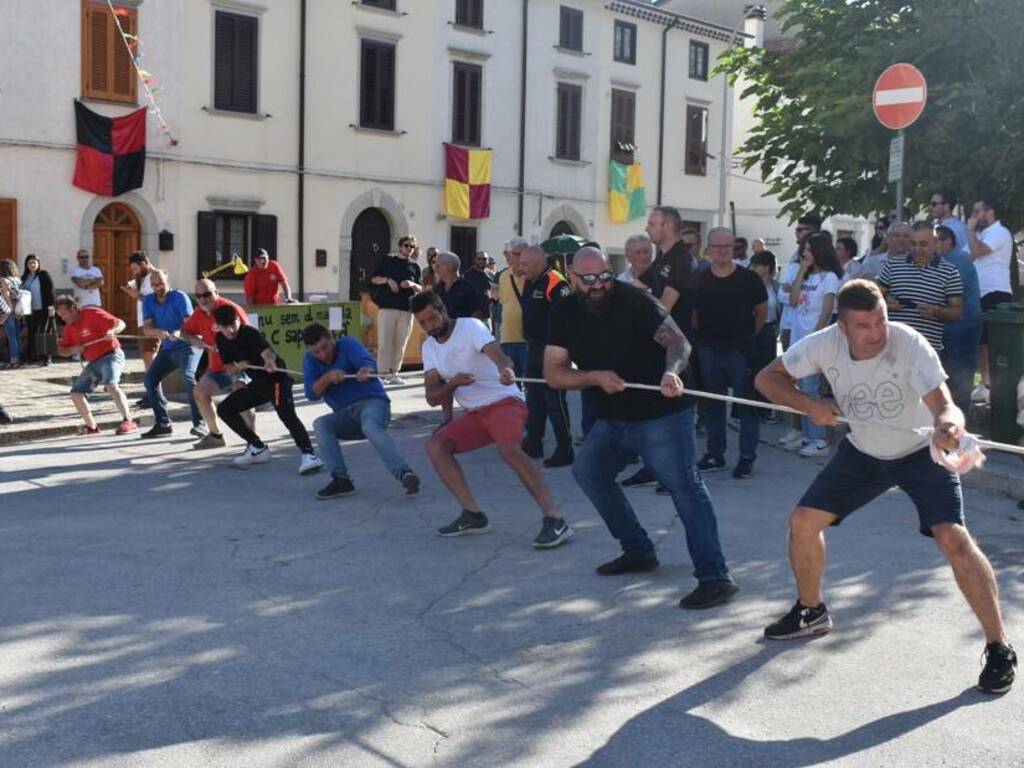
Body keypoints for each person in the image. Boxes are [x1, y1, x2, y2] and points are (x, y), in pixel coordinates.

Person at [755, 279, 1016, 694]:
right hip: (863, 452)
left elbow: (944, 404)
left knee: (954, 538)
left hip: (919, 452)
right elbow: (767, 379)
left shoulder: (907, 342)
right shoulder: (823, 344)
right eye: (864, 326)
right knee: (802, 521)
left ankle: (999, 646)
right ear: (842, 327)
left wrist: (949, 426)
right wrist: (810, 405)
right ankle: (811, 611)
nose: (876, 332)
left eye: (881, 320)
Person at [545, 247, 738, 608]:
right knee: (589, 473)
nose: (598, 285)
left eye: (604, 276)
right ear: (572, 277)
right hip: (613, 415)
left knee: (684, 487)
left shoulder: (636, 301)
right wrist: (593, 377)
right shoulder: (564, 311)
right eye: (588, 280)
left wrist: (670, 371)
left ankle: (715, 576)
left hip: (662, 410)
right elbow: (553, 372)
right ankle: (637, 549)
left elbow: (679, 342)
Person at [411, 290, 573, 548]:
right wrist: (451, 389)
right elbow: (432, 396)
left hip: (504, 402)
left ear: (442, 310)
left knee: (509, 448)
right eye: (423, 323)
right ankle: (473, 515)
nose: (430, 326)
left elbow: (500, 356)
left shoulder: (470, 327)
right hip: (475, 414)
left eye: (432, 318)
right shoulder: (429, 347)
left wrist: (505, 369)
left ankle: (554, 518)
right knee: (436, 445)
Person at [302, 323, 420, 499]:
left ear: (332, 339)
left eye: (325, 347)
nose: (323, 354)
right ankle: (341, 480)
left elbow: (368, 363)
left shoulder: (348, 344)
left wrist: (366, 371)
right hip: (346, 415)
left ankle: (404, 473)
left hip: (372, 403)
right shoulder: (310, 360)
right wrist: (327, 378)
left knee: (371, 426)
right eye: (316, 352)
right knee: (321, 424)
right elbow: (311, 394)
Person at [692, 228, 768, 478]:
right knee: (713, 404)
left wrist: (745, 337)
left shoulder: (749, 279)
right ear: (709, 249)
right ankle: (715, 454)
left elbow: (761, 313)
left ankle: (747, 456)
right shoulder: (699, 279)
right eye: (717, 246)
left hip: (740, 350)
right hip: (709, 349)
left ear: (734, 248)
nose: (723, 250)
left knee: (747, 405)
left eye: (727, 246)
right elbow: (694, 317)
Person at [212, 304, 323, 474]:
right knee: (225, 409)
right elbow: (228, 368)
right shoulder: (221, 339)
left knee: (286, 415)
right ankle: (257, 447)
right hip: (259, 384)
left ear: (238, 320)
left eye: (233, 325)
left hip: (277, 381)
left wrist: (269, 363)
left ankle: (309, 455)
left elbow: (267, 353)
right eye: (225, 328)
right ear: (219, 326)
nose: (230, 331)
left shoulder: (249, 333)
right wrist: (239, 367)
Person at [777, 232, 842, 457]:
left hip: (814, 341)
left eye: (808, 249)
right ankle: (807, 433)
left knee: (811, 388)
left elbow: (826, 311)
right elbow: (793, 300)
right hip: (797, 337)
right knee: (801, 388)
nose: (804, 253)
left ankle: (820, 438)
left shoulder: (830, 277)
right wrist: (802, 270)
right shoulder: (805, 275)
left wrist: (816, 338)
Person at [517, 245, 574, 467]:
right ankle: (534, 441)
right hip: (533, 346)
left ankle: (565, 448)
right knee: (534, 397)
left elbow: (568, 319)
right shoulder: (530, 280)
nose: (521, 269)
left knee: (554, 399)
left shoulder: (556, 282)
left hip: (552, 348)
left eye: (525, 264)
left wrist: (565, 353)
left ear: (539, 263)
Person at [179, 279, 252, 450]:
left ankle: (253, 441)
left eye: (207, 294)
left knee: (241, 392)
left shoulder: (230, 309)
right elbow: (184, 332)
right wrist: (194, 339)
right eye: (199, 296)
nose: (203, 299)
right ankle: (215, 435)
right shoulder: (199, 313)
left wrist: (236, 353)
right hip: (218, 367)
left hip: (238, 364)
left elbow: (250, 336)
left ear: (216, 293)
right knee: (199, 392)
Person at [54, 295, 137, 436]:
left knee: (111, 385)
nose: (63, 318)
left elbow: (120, 323)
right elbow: (61, 350)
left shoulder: (92, 313)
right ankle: (92, 427)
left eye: (64, 314)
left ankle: (128, 420)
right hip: (94, 362)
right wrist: (73, 349)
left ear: (73, 308)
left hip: (111, 355)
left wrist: (112, 331)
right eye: (60, 315)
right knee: (76, 394)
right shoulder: (69, 328)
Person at [878, 222, 963, 353]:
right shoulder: (893, 265)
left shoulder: (949, 271)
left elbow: (957, 313)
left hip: (926, 352)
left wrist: (936, 311)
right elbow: (872, 298)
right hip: (891, 349)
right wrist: (884, 304)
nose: (917, 249)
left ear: (935, 243)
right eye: (913, 244)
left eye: (923, 244)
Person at [140, 269, 204, 439]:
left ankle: (200, 422)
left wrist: (177, 331)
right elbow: (147, 329)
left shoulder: (180, 297)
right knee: (150, 379)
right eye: (153, 284)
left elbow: (189, 324)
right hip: (168, 349)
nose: (157, 286)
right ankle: (163, 423)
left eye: (160, 282)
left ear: (167, 281)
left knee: (188, 377)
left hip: (189, 344)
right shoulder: (148, 300)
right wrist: (158, 332)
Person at [967, 200, 1014, 404]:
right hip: (981, 292)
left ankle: (992, 385)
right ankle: (985, 383)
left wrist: (969, 230)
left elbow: (976, 252)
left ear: (990, 212)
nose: (974, 216)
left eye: (978, 211)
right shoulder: (982, 234)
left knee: (990, 343)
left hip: (996, 292)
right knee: (982, 342)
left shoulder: (999, 232)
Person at [936, 225, 983, 414]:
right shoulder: (947, 260)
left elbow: (944, 294)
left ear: (948, 241)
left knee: (958, 382)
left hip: (961, 331)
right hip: (954, 330)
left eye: (935, 240)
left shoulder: (957, 263)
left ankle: (958, 428)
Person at [370, 235, 422, 385]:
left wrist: (412, 284)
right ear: (400, 247)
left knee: (401, 342)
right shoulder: (388, 260)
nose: (409, 249)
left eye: (412, 247)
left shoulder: (414, 266)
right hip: (387, 307)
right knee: (385, 342)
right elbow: (374, 279)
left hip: (406, 308)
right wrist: (388, 280)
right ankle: (382, 373)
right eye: (406, 245)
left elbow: (420, 287)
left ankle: (394, 372)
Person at [750, 250, 781, 420]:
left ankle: (766, 409)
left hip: (769, 331)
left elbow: (780, 309)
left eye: (758, 265)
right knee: (751, 368)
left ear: (768, 267)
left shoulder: (776, 287)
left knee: (767, 369)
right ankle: (750, 407)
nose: (753, 268)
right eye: (753, 265)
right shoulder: (749, 284)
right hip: (752, 329)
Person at [120, 251, 159, 377]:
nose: (134, 272)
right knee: (147, 357)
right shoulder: (142, 277)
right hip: (143, 321)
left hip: (152, 321)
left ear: (144, 263)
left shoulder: (157, 276)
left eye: (136, 269)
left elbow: (158, 300)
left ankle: (153, 392)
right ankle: (151, 391)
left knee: (149, 356)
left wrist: (137, 295)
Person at [497, 238, 528, 378]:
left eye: (518, 253)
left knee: (529, 382)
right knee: (510, 382)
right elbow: (504, 303)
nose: (511, 257)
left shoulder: (532, 276)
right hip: (507, 337)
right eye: (509, 253)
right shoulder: (503, 276)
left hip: (528, 339)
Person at [20, 254, 55, 365]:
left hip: (43, 309)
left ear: (38, 263)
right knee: (32, 333)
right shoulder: (24, 277)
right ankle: (33, 357)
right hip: (30, 310)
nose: (33, 265)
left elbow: (50, 291)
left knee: (45, 333)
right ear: (27, 264)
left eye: (35, 262)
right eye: (30, 262)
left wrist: (51, 306)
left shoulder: (44, 275)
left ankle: (47, 358)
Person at [432, 251, 484, 320]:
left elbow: (476, 314)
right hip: (442, 330)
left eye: (438, 266)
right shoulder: (437, 289)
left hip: (463, 329)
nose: (435, 270)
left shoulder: (468, 288)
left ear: (449, 267)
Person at [0, 259, 23, 367]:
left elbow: (6, 296)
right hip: (19, 310)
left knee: (11, 336)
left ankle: (14, 359)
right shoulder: (18, 280)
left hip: (9, 311)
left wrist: (9, 310)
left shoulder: (4, 280)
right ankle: (18, 358)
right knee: (17, 336)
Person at [464, 251, 495, 323]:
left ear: (488, 260)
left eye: (484, 259)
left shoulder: (492, 275)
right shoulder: (468, 275)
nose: (481, 261)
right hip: (472, 317)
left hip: (488, 316)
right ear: (475, 260)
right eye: (479, 259)